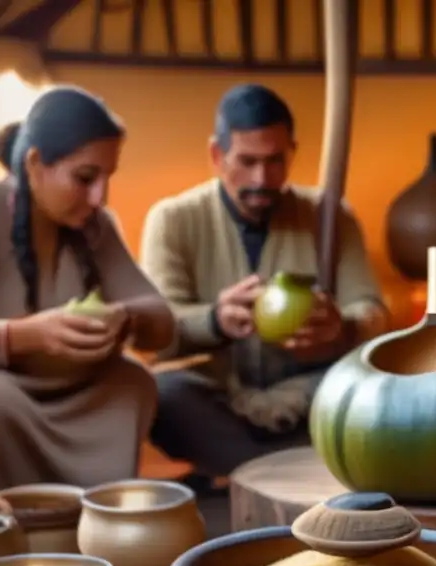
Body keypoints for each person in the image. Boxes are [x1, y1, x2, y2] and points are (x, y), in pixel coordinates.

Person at [0, 86, 176, 506]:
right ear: (35, 164)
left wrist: (123, 318)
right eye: (85, 178)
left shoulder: (95, 226)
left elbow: (159, 318)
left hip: (76, 392)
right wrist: (30, 335)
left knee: (133, 382)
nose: (99, 196)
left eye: (108, 178)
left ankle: (87, 528)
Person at [140, 84, 389, 490]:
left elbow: (373, 313)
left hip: (309, 396)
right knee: (159, 392)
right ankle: (291, 474)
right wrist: (215, 321)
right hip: (219, 400)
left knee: (375, 384)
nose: (262, 178)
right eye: (248, 161)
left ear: (292, 151)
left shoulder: (331, 216)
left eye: (275, 161)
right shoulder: (171, 220)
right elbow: (157, 334)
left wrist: (341, 328)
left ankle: (244, 474)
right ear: (216, 155)